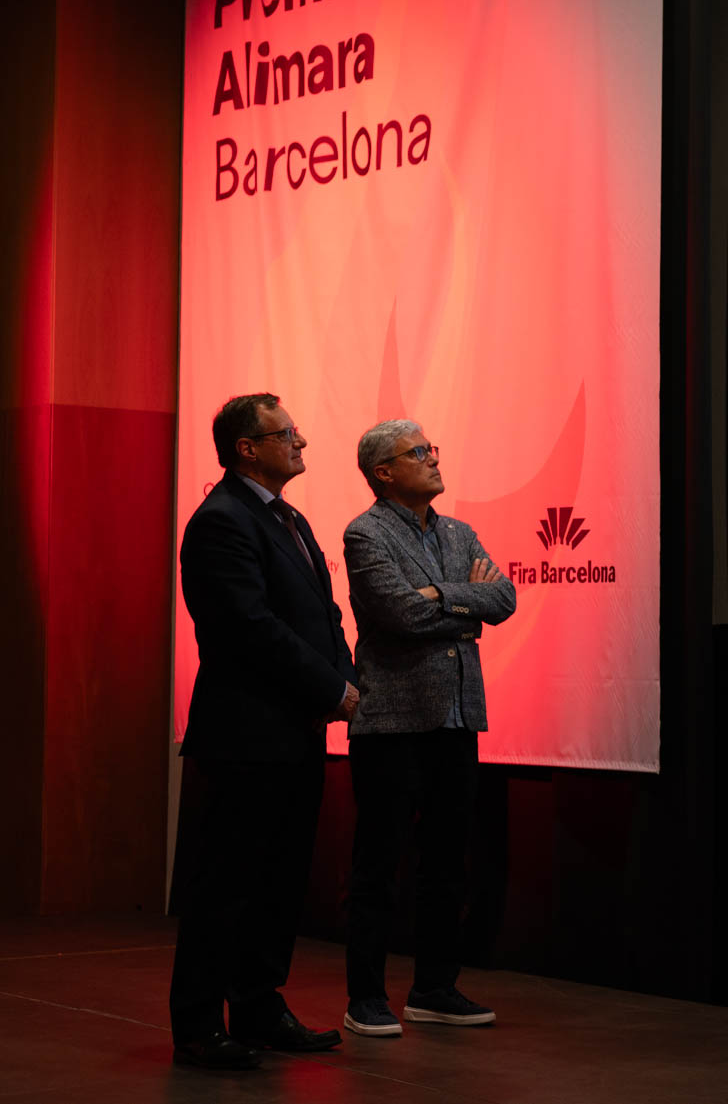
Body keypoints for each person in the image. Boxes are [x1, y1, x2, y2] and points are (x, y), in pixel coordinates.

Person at [170, 394, 356, 1069]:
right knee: (226, 883)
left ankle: (256, 1006)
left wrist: (344, 675)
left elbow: (323, 615)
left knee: (278, 883)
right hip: (246, 735)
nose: (300, 440)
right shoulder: (222, 520)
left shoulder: (289, 516)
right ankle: (198, 1024)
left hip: (297, 731)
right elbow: (249, 628)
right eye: (286, 433)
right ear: (247, 447)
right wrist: (333, 687)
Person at [339, 419, 515, 1037]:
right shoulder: (366, 533)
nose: (434, 460)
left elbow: (506, 599)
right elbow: (398, 613)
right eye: (419, 453)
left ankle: (435, 988)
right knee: (379, 863)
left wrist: (440, 596)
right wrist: (464, 602)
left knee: (447, 863)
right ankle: (366, 997)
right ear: (384, 471)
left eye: (432, 449)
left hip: (456, 716)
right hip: (392, 722)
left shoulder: (460, 531)